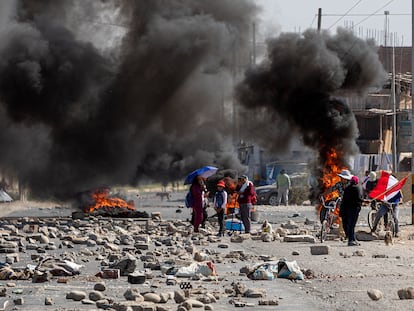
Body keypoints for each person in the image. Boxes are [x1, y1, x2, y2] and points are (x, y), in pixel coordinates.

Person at [339, 175, 364, 246]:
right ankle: (351, 240)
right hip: (354, 209)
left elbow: (344, 199)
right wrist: (364, 201)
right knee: (352, 225)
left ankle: (353, 239)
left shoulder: (347, 188)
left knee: (350, 224)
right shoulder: (357, 188)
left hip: (347, 209)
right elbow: (359, 198)